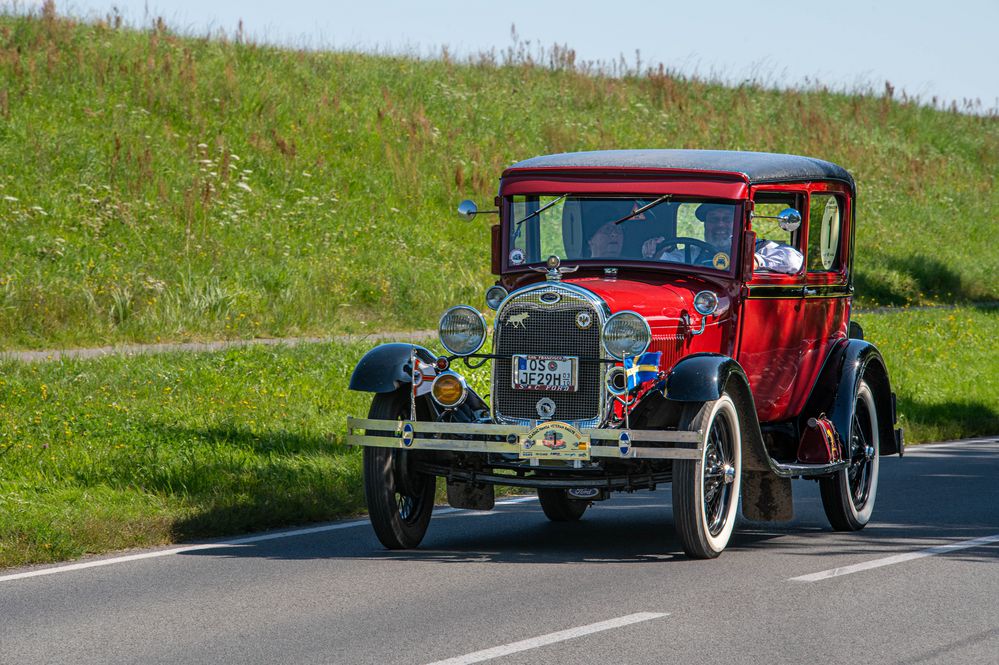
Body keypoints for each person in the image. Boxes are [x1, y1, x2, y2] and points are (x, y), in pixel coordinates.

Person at [641, 203, 803, 274]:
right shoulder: (694, 253)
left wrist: (756, 261)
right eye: (713, 220)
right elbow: (667, 261)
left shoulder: (758, 248)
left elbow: (794, 260)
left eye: (726, 220)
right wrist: (654, 251)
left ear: (737, 224)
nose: (720, 226)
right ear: (705, 225)